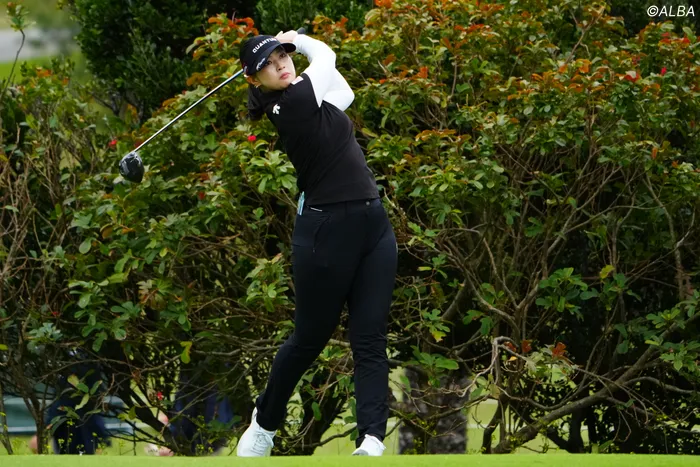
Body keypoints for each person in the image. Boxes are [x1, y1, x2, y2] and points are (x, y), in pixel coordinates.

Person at [235, 30, 398, 457]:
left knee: (370, 337)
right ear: (254, 79)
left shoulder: (308, 99)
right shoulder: (289, 106)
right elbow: (327, 57)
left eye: (283, 56)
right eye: (269, 65)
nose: (281, 65)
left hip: (372, 224)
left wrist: (289, 47)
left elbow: (344, 92)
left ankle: (371, 439)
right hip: (326, 233)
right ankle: (264, 423)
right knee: (309, 338)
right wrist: (300, 39)